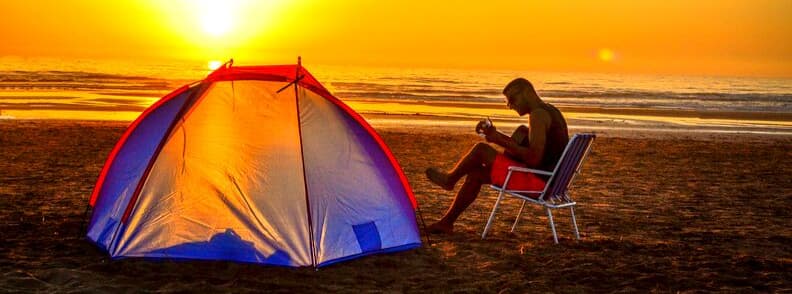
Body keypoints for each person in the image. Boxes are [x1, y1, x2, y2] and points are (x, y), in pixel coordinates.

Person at [425, 78, 569, 234]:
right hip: (552, 183)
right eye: (507, 102)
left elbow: (533, 158)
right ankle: (446, 223)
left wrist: (498, 140)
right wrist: (496, 136)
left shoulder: (538, 115)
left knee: (481, 150)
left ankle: (450, 180)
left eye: (512, 99)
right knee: (476, 174)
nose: (509, 105)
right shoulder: (551, 110)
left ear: (527, 92)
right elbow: (527, 152)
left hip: (539, 184)